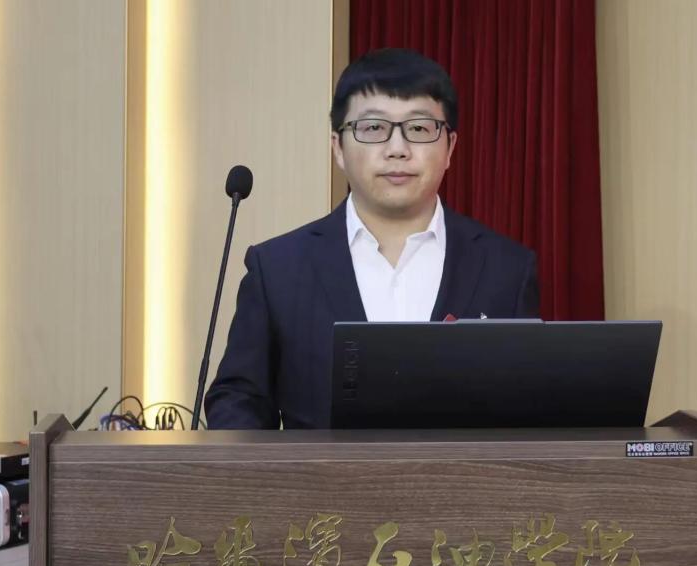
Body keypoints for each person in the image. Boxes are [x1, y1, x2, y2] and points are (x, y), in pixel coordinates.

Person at [205, 48, 539, 429]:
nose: (397, 149)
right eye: (374, 128)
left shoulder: (506, 270)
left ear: (450, 148)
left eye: (419, 128)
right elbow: (238, 401)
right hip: (319, 472)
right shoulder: (277, 269)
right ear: (338, 148)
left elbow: (528, 407)